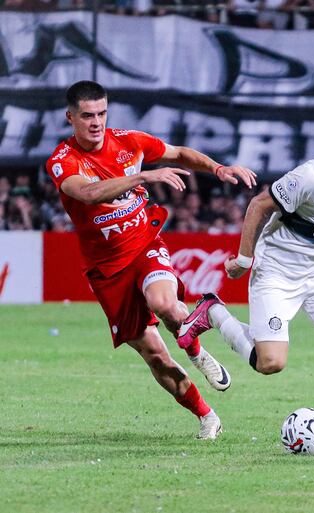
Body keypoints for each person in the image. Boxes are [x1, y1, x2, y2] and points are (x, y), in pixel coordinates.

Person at [44, 80, 257, 439]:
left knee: (165, 303)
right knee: (154, 354)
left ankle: (197, 351)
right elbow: (88, 192)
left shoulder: (129, 141)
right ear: (70, 117)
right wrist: (141, 176)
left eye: (101, 113)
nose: (96, 122)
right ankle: (206, 416)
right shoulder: (63, 161)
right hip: (107, 270)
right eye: (87, 116)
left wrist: (217, 168)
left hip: (144, 245)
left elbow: (178, 153)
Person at [177, 118, 314, 448]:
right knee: (270, 363)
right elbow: (259, 205)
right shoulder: (313, 177)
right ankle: (213, 313)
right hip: (277, 272)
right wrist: (244, 259)